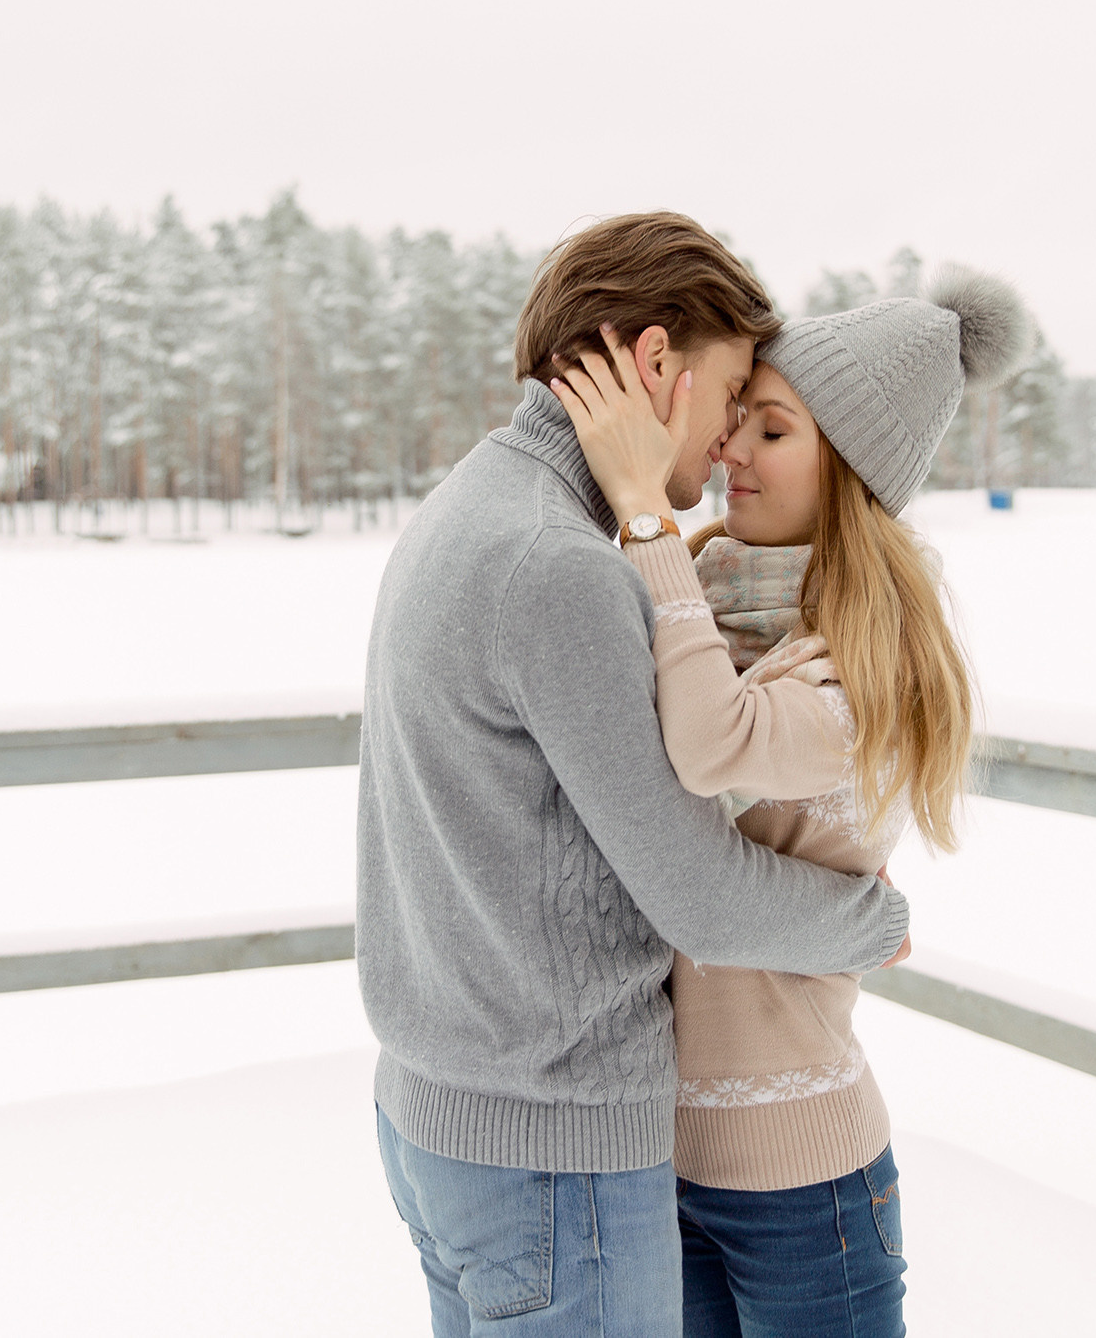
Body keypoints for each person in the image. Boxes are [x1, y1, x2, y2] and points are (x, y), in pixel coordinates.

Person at [359, 213, 913, 1338]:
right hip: (550, 1155)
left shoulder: (466, 511)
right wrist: (871, 919)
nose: (722, 447)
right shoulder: (559, 568)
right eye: (725, 399)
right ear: (655, 365)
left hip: (443, 1117)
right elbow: (697, 892)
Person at [549, 268, 1031, 1338]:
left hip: (805, 1183)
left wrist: (644, 516)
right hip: (654, 1160)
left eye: (773, 430)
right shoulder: (700, 598)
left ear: (846, 470)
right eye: (739, 420)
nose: (730, 451)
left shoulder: (865, 663)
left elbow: (713, 744)